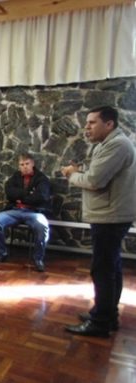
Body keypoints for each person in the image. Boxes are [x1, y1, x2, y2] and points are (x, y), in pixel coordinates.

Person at [61, 105, 136, 338]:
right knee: (110, 266)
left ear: (109, 124)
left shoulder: (117, 145)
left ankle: (100, 322)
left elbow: (94, 181)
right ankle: (107, 315)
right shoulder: (107, 144)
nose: (87, 127)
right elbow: (98, 171)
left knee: (102, 269)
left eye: (92, 122)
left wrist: (71, 174)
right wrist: (80, 170)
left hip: (110, 216)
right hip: (109, 214)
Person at [0, 153, 51, 272]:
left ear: (32, 164)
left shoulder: (41, 178)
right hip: (14, 210)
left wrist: (20, 197)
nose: (24, 167)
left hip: (34, 212)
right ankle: (1, 253)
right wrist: (27, 193)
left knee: (42, 226)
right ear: (19, 166)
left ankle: (38, 259)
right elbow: (9, 192)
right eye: (22, 164)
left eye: (27, 164)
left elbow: (41, 197)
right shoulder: (15, 177)